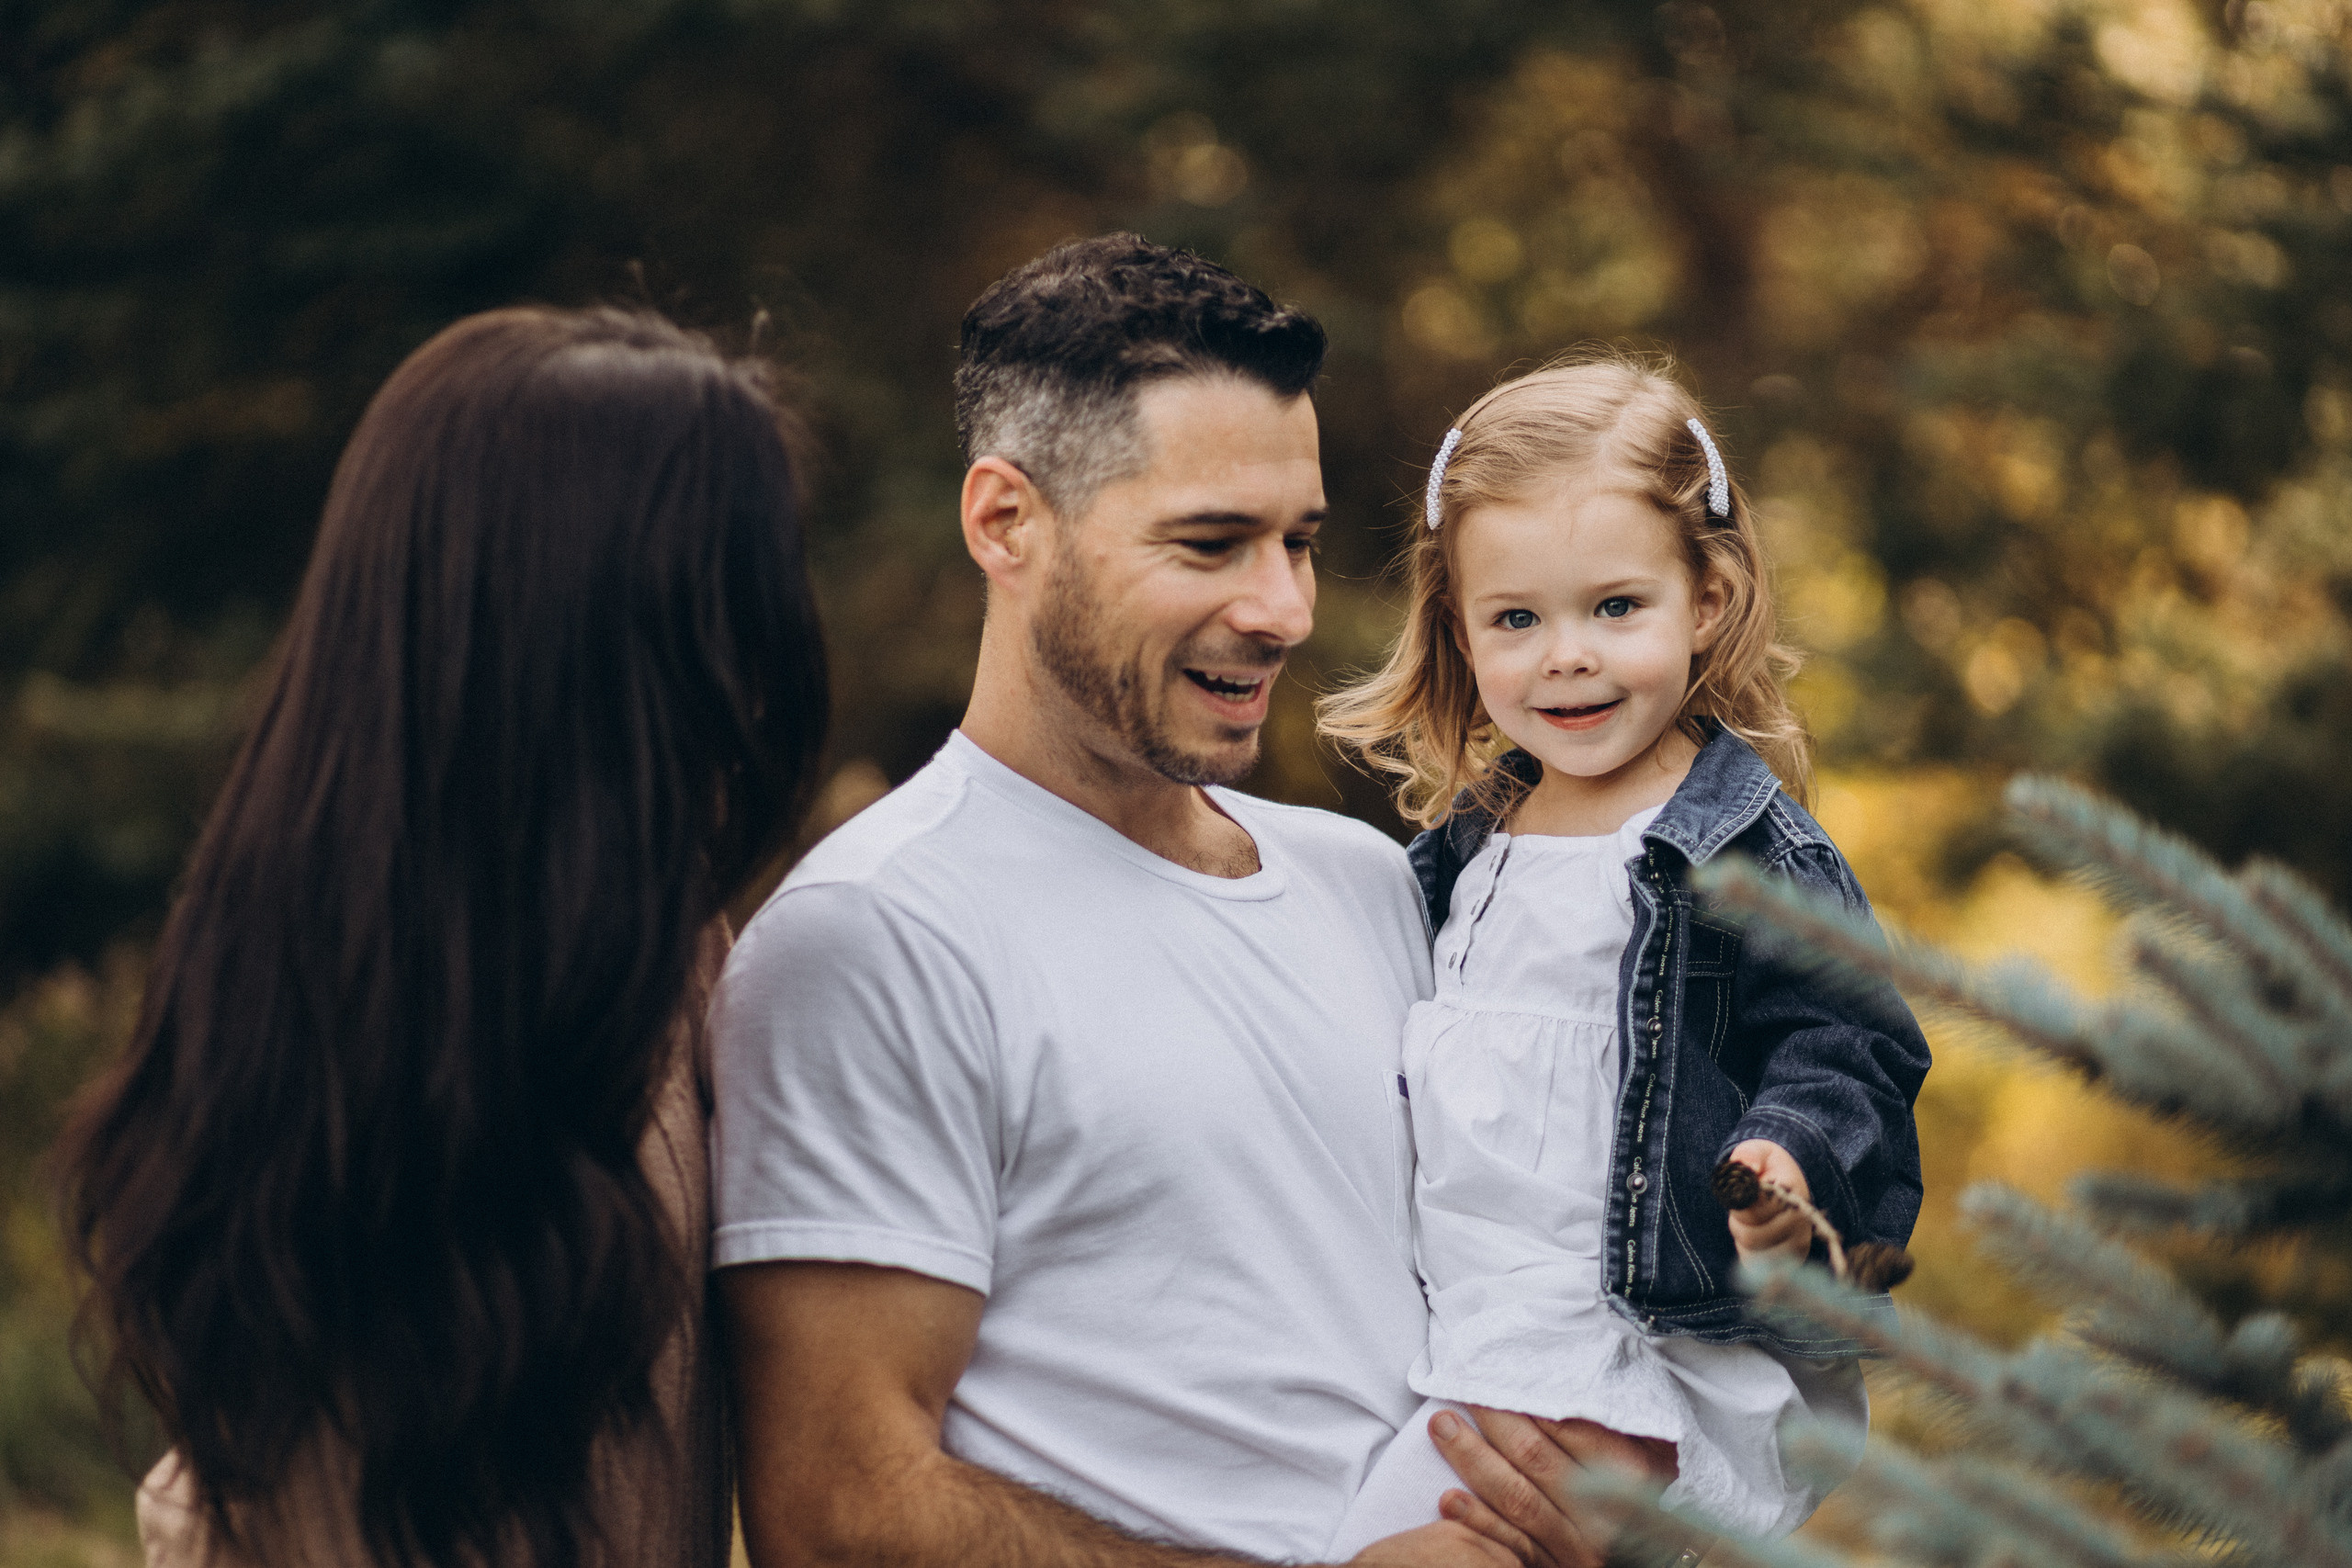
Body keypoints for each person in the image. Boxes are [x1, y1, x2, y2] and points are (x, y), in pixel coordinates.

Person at [713, 236, 1635, 1568]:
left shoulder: (1366, 880)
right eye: (1211, 544)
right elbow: (841, 1512)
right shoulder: (875, 933)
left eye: (1299, 542)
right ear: (1006, 523)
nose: (1282, 609)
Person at [57, 306, 830, 1568]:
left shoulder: (627, 951)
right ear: (604, 629)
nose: (754, 663)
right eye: (726, 600)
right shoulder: (368, 1007)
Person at [1316, 356, 1932, 1554]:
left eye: (1615, 607)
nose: (1567, 655)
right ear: (1459, 630)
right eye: (1516, 619)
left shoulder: (1739, 853)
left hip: (1652, 1353)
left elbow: (1851, 1044)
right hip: (1468, 1346)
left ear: (1705, 600)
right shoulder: (1457, 863)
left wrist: (1789, 1163)